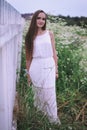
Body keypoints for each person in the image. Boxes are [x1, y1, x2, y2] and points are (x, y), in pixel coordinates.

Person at [25, 10, 61, 125]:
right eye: (38, 18)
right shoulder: (29, 37)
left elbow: (54, 54)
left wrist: (56, 70)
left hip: (49, 63)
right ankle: (40, 118)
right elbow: (28, 58)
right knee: (38, 93)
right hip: (36, 66)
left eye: (43, 19)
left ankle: (53, 120)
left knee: (50, 92)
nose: (41, 21)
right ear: (34, 19)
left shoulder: (49, 34)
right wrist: (28, 74)